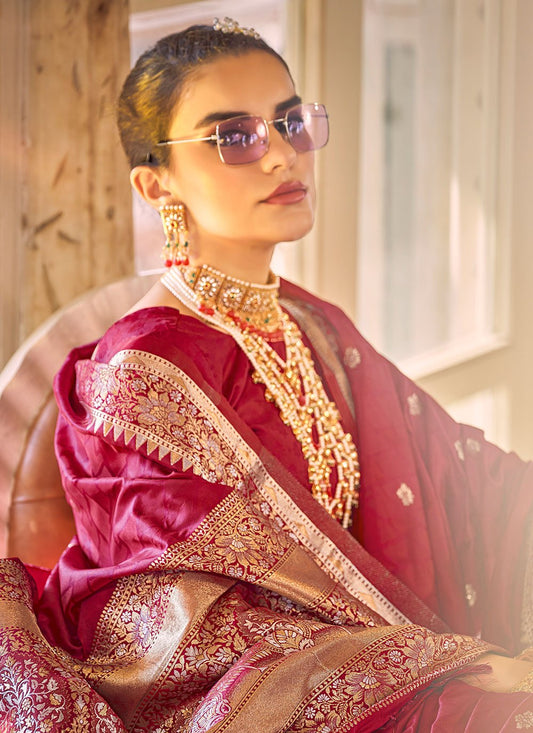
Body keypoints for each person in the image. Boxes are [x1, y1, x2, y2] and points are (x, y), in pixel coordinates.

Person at [1, 18, 533, 732]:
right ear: (156, 183)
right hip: (260, 696)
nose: (282, 154)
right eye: (234, 136)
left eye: (290, 123)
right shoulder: (142, 378)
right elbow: (193, 635)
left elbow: (466, 477)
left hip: (382, 655)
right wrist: (444, 668)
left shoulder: (312, 325)